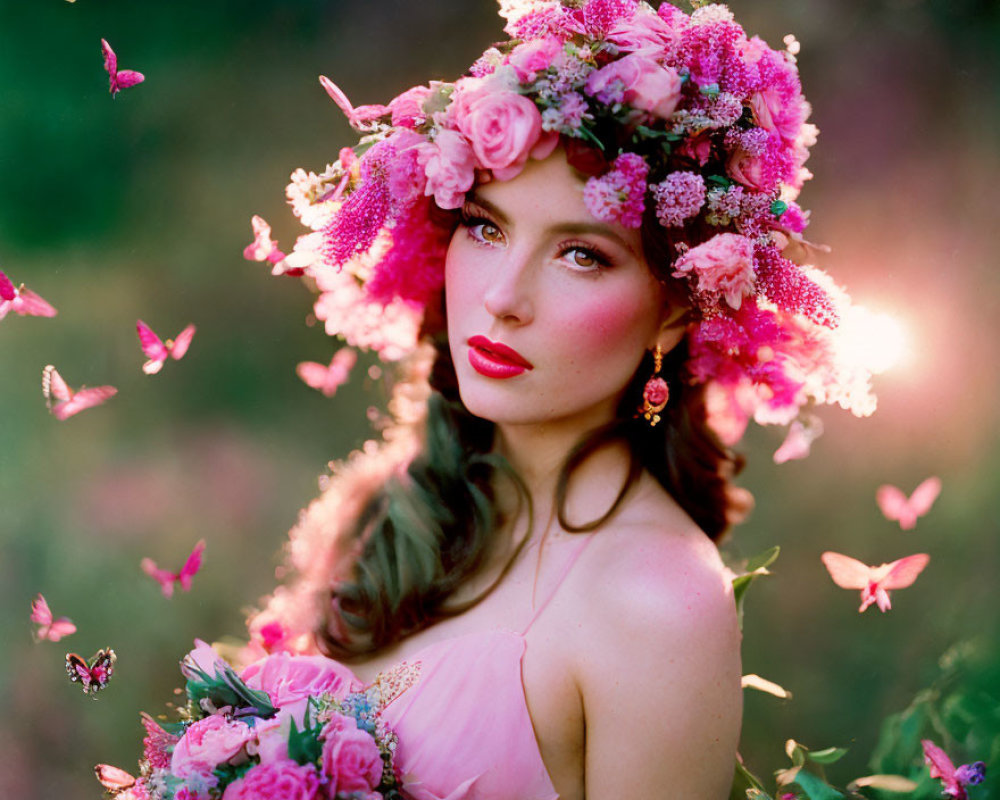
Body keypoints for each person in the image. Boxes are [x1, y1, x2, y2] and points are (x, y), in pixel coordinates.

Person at [243, 2, 877, 798]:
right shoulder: (392, 507)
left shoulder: (657, 601)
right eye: (484, 227)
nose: (503, 298)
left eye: (581, 253)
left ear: (680, 308)